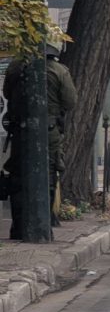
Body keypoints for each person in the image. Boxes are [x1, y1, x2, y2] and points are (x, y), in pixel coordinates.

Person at [3, 36, 77, 238]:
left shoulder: (15, 67)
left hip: (20, 130)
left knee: (17, 176)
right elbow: (70, 101)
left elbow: (7, 93)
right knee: (49, 175)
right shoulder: (60, 71)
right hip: (49, 131)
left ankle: (18, 226)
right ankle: (43, 225)